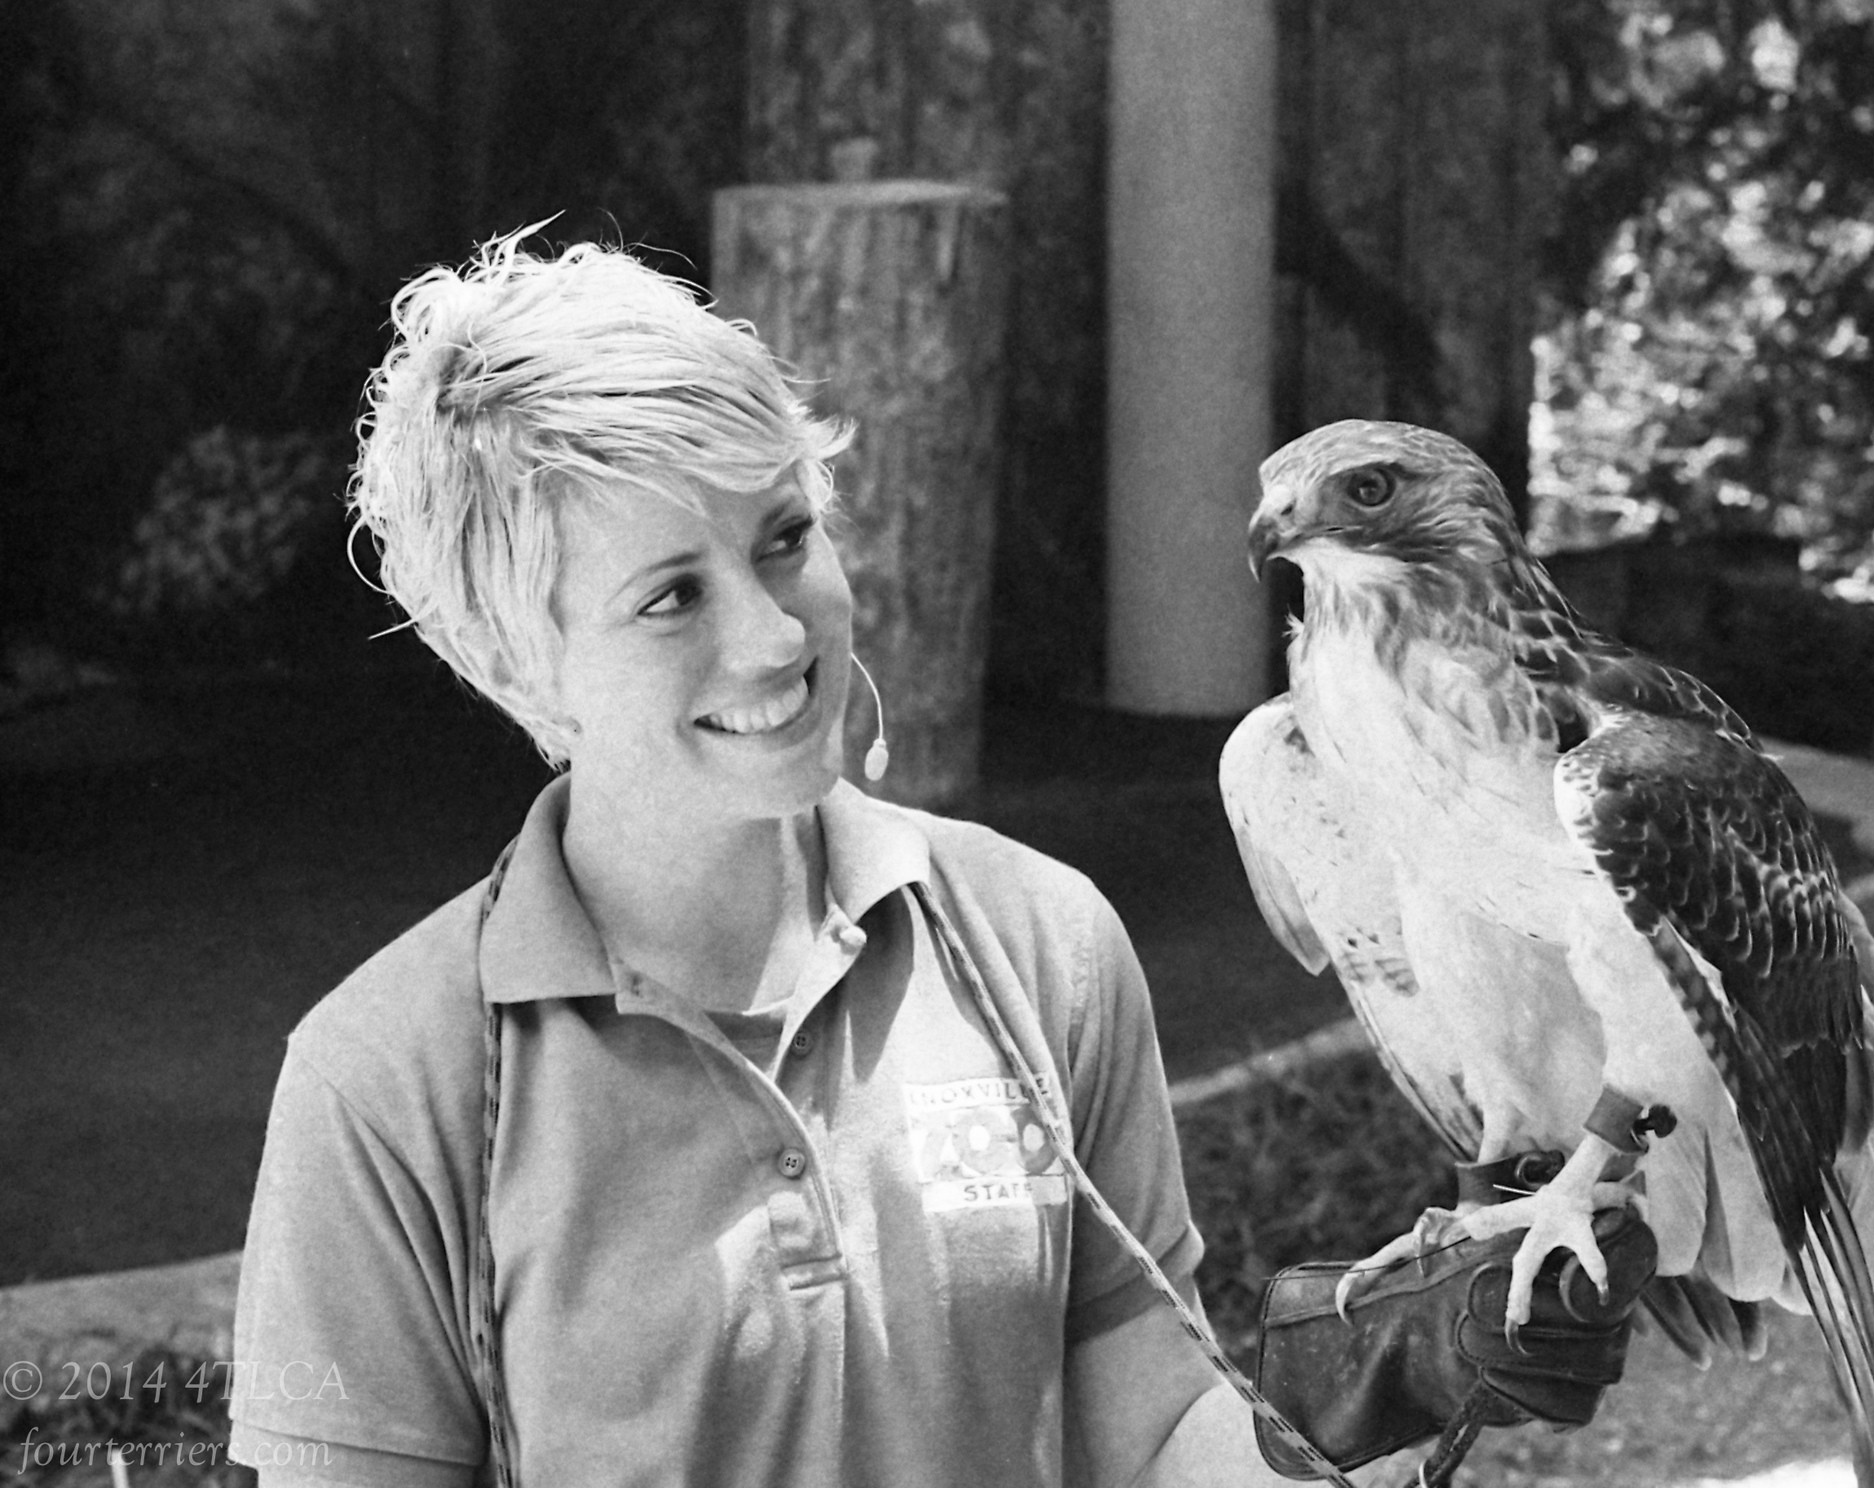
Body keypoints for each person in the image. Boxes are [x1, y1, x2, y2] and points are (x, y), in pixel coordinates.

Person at [226, 231, 1648, 1488]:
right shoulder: (385, 1085)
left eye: (785, 539)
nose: (775, 638)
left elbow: (1145, 1433)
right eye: (669, 597)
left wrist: (1376, 1386)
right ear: (516, 669)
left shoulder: (1042, 941)